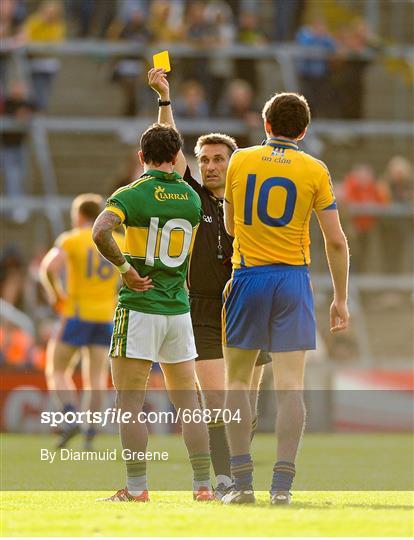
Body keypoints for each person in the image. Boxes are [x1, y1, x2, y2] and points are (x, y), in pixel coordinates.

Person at [148, 67, 271, 499]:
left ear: (233, 164)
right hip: (199, 309)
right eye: (206, 160)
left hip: (245, 305)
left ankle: (238, 476)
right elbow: (171, 145)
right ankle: (224, 479)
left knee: (248, 408)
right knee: (218, 401)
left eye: (220, 159)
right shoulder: (192, 196)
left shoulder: (251, 205)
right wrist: (165, 98)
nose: (212, 166)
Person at [221, 92, 350, 505]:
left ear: (266, 125)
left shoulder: (239, 159)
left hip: (248, 276)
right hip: (293, 280)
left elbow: (229, 224)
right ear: (304, 131)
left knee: (238, 381)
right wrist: (341, 299)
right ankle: (282, 487)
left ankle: (241, 483)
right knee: (291, 385)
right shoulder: (315, 169)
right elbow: (335, 241)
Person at [92, 123, 214, 503]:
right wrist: (164, 97)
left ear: (141, 157)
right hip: (178, 310)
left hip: (141, 308)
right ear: (177, 156)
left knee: (128, 403)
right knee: (189, 404)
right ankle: (203, 486)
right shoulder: (192, 199)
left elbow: (100, 231)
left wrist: (127, 270)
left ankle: (137, 488)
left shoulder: (133, 194)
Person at [40, 194, 121, 449]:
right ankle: (90, 431)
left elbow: (49, 267)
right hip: (105, 316)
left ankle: (70, 415)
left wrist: (56, 295)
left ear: (78, 216)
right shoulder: (118, 240)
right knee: (96, 377)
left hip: (76, 314)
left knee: (57, 368)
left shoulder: (72, 239)